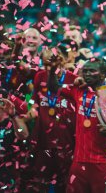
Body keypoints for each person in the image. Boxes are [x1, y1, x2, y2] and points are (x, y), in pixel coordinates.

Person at [47, 58, 106, 193]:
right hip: (79, 162)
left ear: (102, 74)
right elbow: (54, 87)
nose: (88, 74)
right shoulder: (78, 90)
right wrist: (51, 69)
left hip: (103, 162)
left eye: (92, 71)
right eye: (85, 71)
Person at [28, 48, 78, 192]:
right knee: (42, 181)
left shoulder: (73, 79)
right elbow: (34, 101)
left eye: (52, 63)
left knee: (65, 182)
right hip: (43, 139)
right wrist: (31, 110)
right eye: (46, 64)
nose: (49, 68)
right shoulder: (39, 77)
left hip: (67, 140)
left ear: (62, 60)